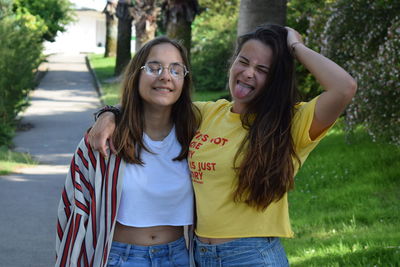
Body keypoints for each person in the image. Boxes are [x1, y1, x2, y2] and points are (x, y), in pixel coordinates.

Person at [88, 24, 357, 266]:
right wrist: (109, 114)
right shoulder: (209, 113)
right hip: (198, 255)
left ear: (275, 79)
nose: (248, 73)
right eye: (244, 61)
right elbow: (155, 101)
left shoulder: (291, 123)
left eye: (262, 70)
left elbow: (344, 88)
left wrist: (295, 47)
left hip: (252, 256)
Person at [55, 36, 199, 267]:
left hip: (178, 257)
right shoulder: (104, 139)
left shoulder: (197, 136)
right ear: (137, 75)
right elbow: (74, 208)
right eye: (154, 67)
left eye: (176, 69)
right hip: (119, 258)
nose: (165, 76)